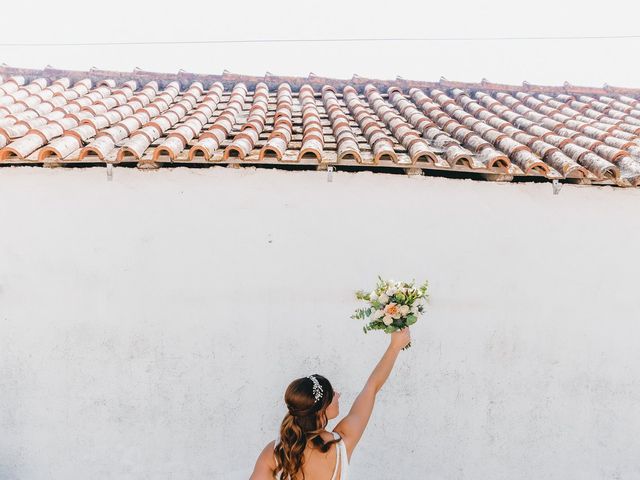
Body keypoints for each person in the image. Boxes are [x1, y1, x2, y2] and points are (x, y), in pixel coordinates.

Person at [249, 327, 412, 480]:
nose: (338, 395)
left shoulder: (275, 452)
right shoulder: (343, 442)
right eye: (332, 394)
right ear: (321, 410)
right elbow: (371, 388)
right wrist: (394, 346)